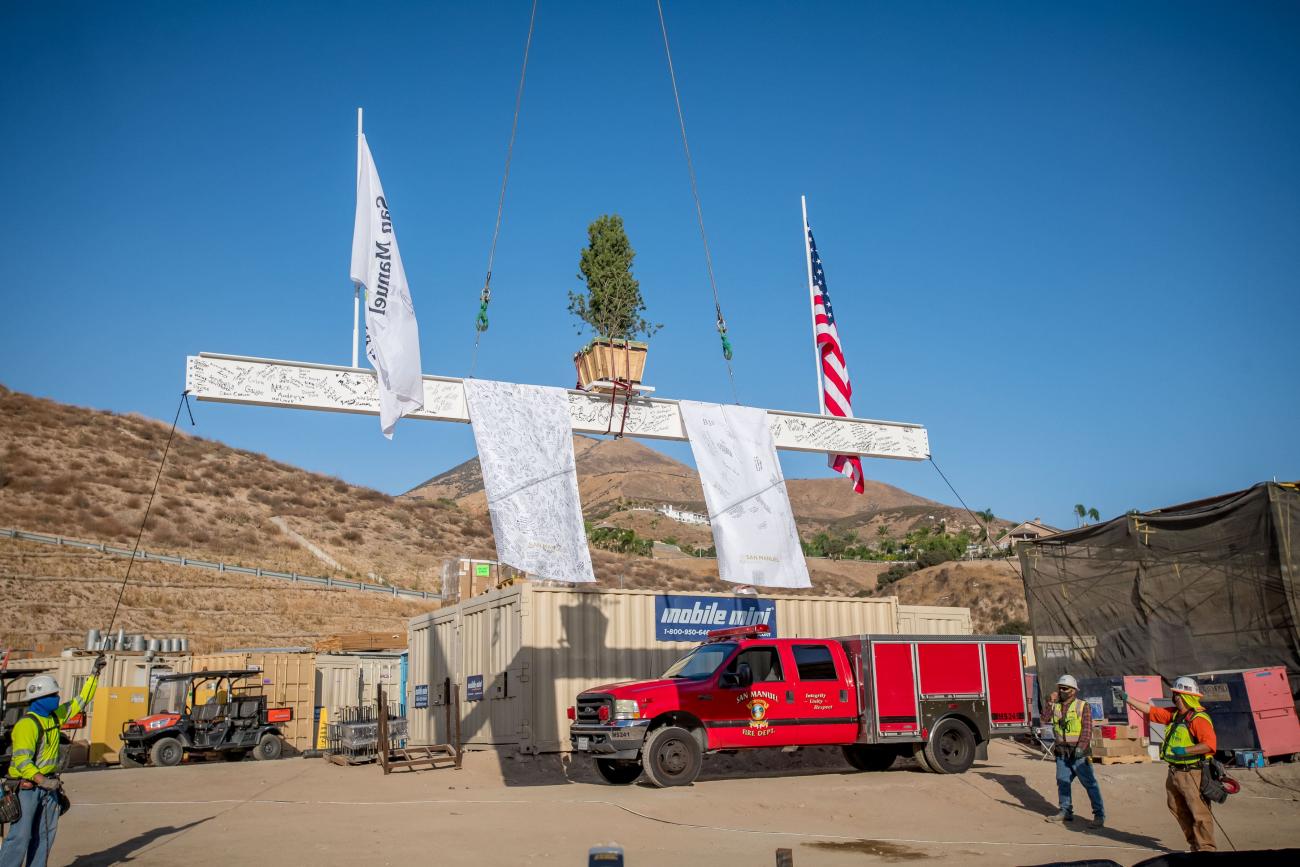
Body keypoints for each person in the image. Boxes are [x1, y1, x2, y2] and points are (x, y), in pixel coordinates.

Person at [1, 654, 103, 867]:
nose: (58, 698)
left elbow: (80, 701)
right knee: (20, 838)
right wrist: (41, 780)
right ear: (40, 698)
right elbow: (22, 762)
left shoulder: (55, 717)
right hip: (27, 788)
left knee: (45, 837)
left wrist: (95, 674)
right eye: (53, 695)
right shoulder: (27, 725)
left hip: (49, 787)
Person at [1124, 676, 1217, 852]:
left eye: (1177, 695)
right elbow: (1150, 711)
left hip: (1192, 773)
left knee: (1199, 812)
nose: (1175, 698)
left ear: (1186, 697)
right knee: (1176, 807)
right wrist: (1127, 698)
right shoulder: (1174, 715)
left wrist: (1186, 750)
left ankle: (1206, 848)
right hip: (1174, 772)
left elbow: (1209, 745)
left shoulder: (1199, 718)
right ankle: (1194, 844)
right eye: (1175, 695)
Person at [1044, 673, 1105, 828]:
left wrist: (1081, 747)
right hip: (1062, 752)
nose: (1061, 691)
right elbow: (1045, 719)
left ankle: (1099, 815)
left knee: (1089, 783)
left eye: (1064, 688)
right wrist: (1049, 702)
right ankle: (1066, 811)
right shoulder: (1056, 705)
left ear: (1073, 690)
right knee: (1062, 782)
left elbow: (1087, 728)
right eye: (1060, 688)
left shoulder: (1082, 706)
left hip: (1079, 753)